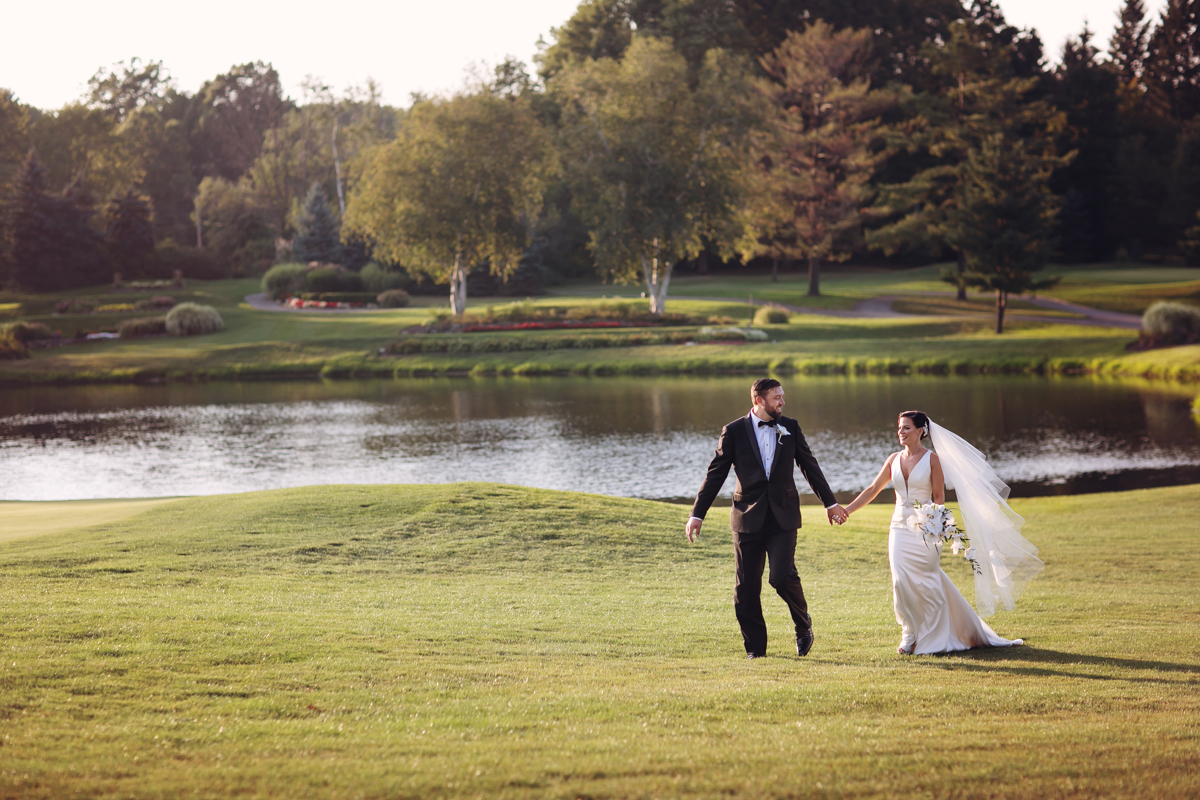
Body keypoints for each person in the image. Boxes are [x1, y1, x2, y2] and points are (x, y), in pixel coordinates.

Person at [843, 410, 1043, 655]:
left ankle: (934, 637)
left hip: (927, 531)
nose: (901, 432)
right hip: (898, 529)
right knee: (900, 582)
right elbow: (873, 488)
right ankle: (909, 635)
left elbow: (939, 499)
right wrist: (847, 510)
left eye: (906, 428)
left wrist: (935, 528)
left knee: (927, 583)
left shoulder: (932, 460)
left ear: (920, 431)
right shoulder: (893, 459)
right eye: (899, 427)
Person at [686, 378, 848, 659]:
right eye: (777, 398)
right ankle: (756, 652)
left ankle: (803, 624)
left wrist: (830, 503)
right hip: (746, 518)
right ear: (758, 401)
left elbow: (810, 466)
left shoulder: (791, 427)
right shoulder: (733, 431)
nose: (782, 402)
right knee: (746, 589)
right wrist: (697, 514)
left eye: (783, 397)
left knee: (781, 577)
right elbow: (716, 474)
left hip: (783, 516)